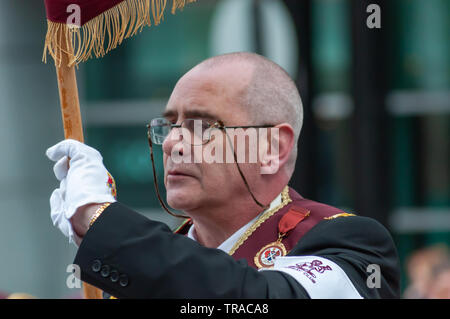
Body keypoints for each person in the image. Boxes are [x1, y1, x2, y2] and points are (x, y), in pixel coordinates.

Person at [46, 52, 400, 299]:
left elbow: (249, 297)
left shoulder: (351, 243)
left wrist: (97, 218)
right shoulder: (157, 261)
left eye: (201, 125)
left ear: (272, 148)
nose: (172, 143)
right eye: (169, 125)